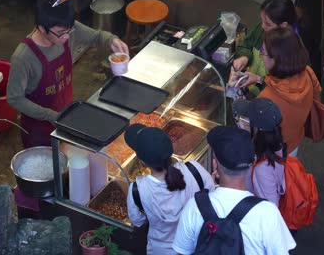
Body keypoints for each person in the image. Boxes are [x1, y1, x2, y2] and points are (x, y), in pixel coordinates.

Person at [7, 0, 129, 148]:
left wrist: (112, 40)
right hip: (39, 129)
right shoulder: (23, 58)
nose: (66, 37)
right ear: (42, 28)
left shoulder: (67, 30)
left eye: (69, 30)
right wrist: (50, 115)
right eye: (60, 33)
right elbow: (15, 98)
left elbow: (96, 37)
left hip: (67, 116)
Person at [172, 126, 295, 254]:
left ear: (215, 165)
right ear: (253, 161)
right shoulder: (267, 213)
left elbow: (182, 251)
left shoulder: (194, 206)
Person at [124, 124, 215, 255]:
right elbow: (211, 196)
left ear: (142, 161)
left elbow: (137, 221)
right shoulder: (194, 170)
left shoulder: (138, 190)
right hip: (197, 245)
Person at [241, 26, 321, 156]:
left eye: (263, 53)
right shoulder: (307, 72)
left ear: (277, 59)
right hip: (294, 141)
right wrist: (259, 79)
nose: (261, 57)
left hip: (273, 153)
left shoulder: (266, 100)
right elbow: (289, 90)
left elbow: (257, 135)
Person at [235, 98, 286, 206]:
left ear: (257, 129)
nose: (241, 122)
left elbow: (272, 207)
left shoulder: (262, 169)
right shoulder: (275, 144)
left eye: (246, 120)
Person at [233, 0, 298, 77]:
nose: (263, 26)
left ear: (283, 25)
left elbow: (283, 86)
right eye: (262, 20)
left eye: (268, 24)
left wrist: (259, 80)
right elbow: (246, 45)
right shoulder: (262, 29)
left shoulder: (291, 52)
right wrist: (245, 57)